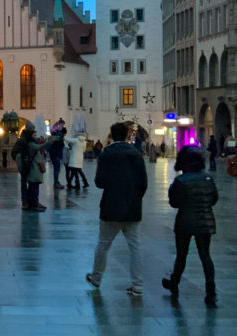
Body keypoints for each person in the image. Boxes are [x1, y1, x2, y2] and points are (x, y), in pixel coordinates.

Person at [86, 122, 148, 296]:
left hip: (110, 206)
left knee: (103, 244)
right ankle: (138, 284)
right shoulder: (136, 154)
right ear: (128, 135)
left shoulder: (106, 153)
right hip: (132, 207)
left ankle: (96, 277)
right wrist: (135, 198)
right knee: (135, 246)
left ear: (111, 135)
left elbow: (99, 182)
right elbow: (143, 182)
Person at [161, 146, 218, 307]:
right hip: (206, 221)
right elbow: (214, 199)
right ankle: (211, 292)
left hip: (185, 221)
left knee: (181, 255)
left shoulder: (180, 181)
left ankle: (175, 282)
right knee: (205, 256)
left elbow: (174, 203)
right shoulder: (208, 179)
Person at [22, 131, 49, 212]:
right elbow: (38, 147)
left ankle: (33, 204)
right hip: (34, 168)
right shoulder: (30, 144)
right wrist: (48, 142)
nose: (35, 136)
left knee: (33, 186)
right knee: (33, 187)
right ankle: (33, 205)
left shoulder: (30, 143)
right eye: (34, 135)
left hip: (34, 167)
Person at [12, 125, 34, 209]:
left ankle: (31, 200)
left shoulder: (27, 140)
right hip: (25, 164)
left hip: (29, 164)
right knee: (25, 182)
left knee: (31, 183)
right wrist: (19, 160)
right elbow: (14, 152)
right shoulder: (23, 141)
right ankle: (25, 201)